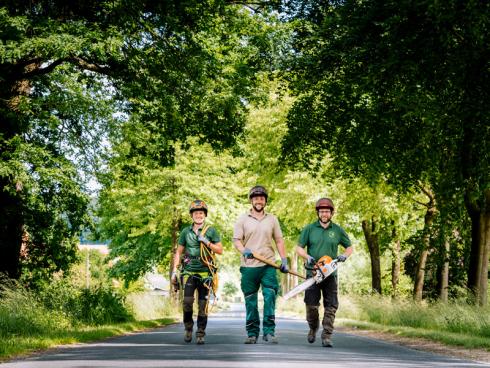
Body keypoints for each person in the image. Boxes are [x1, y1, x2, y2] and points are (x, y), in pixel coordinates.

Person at [233, 185, 288, 344]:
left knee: (270, 296)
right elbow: (237, 241)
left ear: (265, 201)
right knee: (251, 301)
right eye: (256, 198)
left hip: (268, 265)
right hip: (249, 267)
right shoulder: (242, 219)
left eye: (262, 198)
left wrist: (283, 259)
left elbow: (278, 240)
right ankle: (252, 333)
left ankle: (269, 332)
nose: (259, 201)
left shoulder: (272, 219)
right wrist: (244, 251)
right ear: (251, 201)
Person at [296, 197, 353, 347]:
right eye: (321, 211)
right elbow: (299, 248)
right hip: (313, 273)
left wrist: (344, 256)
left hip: (330, 274)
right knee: (311, 304)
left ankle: (327, 335)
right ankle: (313, 328)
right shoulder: (309, 229)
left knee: (331, 306)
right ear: (318, 213)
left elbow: (349, 247)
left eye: (327, 211)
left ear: (332, 213)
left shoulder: (338, 230)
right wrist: (306, 256)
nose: (324, 214)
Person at [171, 199, 223, 345]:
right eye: (196, 213)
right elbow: (179, 252)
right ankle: (188, 328)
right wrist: (175, 271)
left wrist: (206, 242)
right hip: (189, 271)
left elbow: (220, 250)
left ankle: (200, 333)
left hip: (206, 273)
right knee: (187, 302)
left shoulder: (211, 230)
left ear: (204, 215)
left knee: (203, 305)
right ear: (192, 215)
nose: (198, 215)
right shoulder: (185, 232)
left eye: (201, 213)